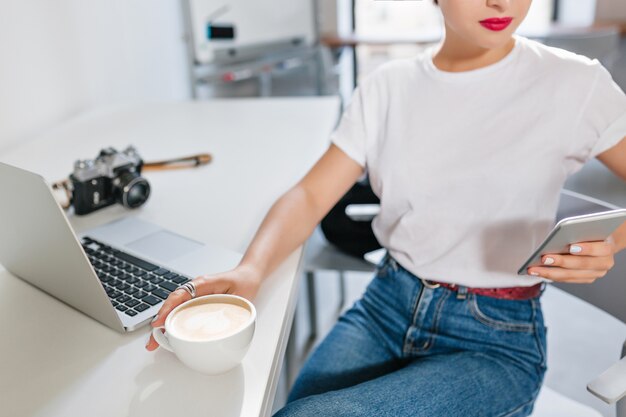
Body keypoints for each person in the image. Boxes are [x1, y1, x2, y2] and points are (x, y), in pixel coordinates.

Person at [146, 0, 626, 415]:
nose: (500, 3)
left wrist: (612, 241)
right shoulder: (388, 87)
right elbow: (309, 195)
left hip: (496, 342)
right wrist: (251, 270)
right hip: (386, 306)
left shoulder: (575, 83)